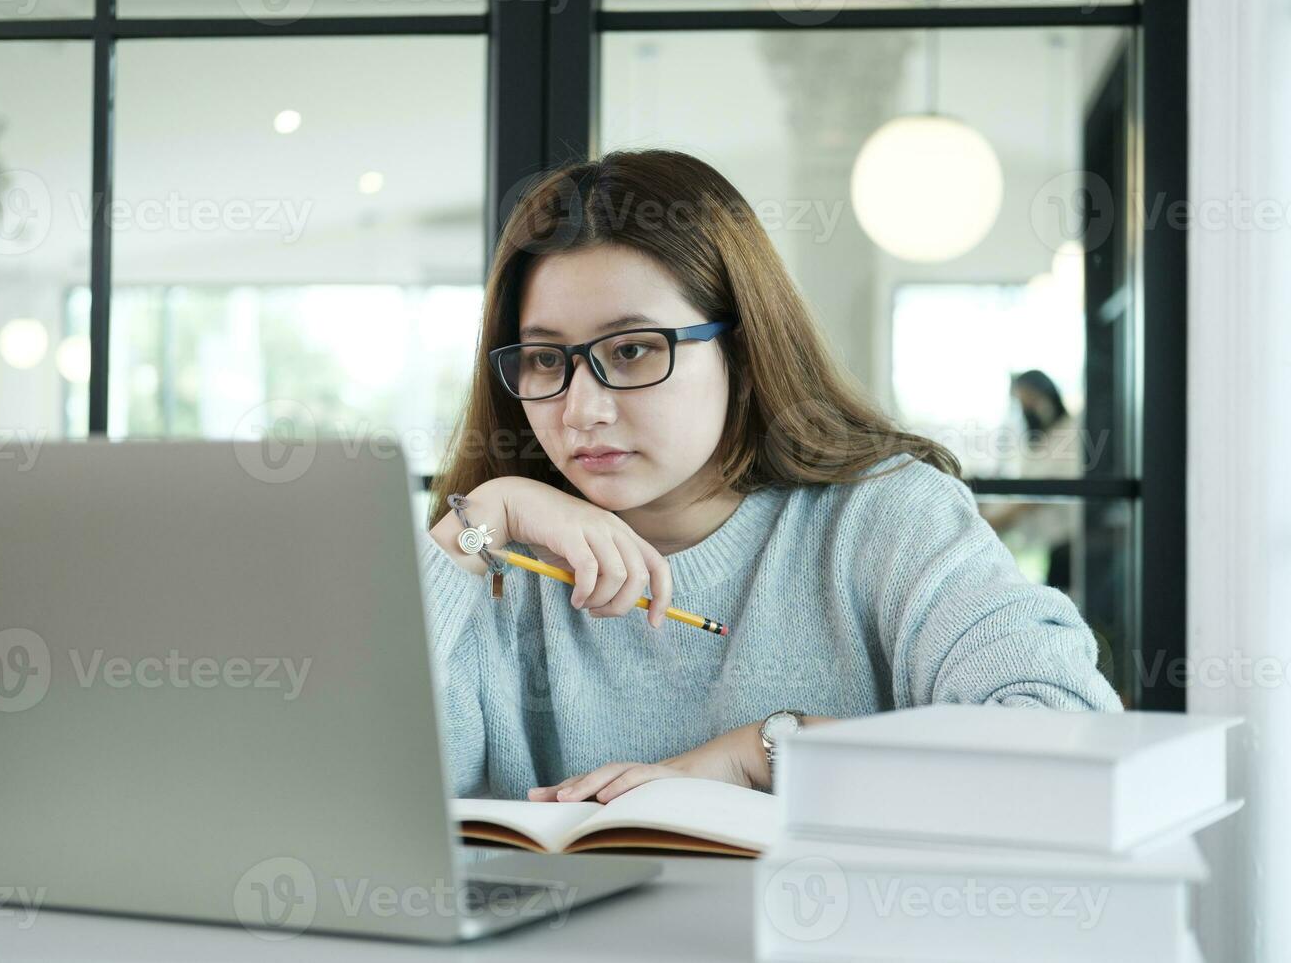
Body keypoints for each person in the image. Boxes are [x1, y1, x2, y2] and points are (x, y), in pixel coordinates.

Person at [418, 149, 1122, 806]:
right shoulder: (495, 555)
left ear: (745, 352)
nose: (581, 410)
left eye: (632, 349)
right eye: (545, 360)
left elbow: (1069, 742)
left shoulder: (884, 518)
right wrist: (478, 521)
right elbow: (362, 797)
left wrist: (759, 756)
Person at [982, 369, 1083, 591]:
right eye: (1020, 403)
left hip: (1067, 540)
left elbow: (1043, 490)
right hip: (1044, 539)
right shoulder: (1034, 440)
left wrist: (995, 520)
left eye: (1030, 400)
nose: (1026, 409)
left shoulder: (1069, 432)